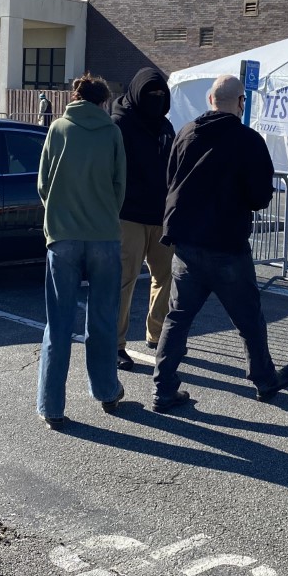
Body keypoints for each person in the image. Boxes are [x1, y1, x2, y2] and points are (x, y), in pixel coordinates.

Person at [152, 74, 288, 413]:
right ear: (241, 103)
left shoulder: (186, 133)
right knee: (248, 317)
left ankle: (163, 388)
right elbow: (260, 196)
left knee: (177, 318)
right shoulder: (247, 140)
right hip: (227, 245)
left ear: (210, 100)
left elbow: (170, 178)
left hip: (187, 243)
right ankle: (263, 379)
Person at [36, 73, 127, 430]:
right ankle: (106, 390)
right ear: (103, 101)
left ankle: (51, 404)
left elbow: (43, 183)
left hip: (63, 235)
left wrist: (57, 213)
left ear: (75, 96)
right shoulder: (111, 132)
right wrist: (105, 214)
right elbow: (120, 184)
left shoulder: (58, 128)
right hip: (103, 234)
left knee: (58, 323)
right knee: (103, 318)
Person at [111, 67, 176, 372]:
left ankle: (157, 333)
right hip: (129, 215)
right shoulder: (120, 123)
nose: (157, 99)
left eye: (161, 95)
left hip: (160, 214)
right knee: (124, 280)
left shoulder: (165, 125)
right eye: (151, 94)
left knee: (165, 277)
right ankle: (116, 345)